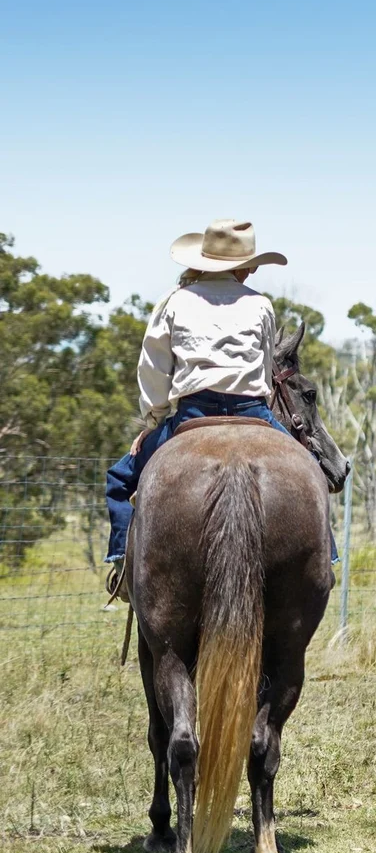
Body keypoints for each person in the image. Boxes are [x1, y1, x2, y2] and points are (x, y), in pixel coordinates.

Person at [105, 218, 315, 596]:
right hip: (254, 412)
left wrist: (153, 421)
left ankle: (123, 565)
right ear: (245, 266)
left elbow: (152, 369)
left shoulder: (174, 301)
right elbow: (266, 371)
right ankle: (325, 561)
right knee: (309, 471)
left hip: (193, 413)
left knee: (120, 481)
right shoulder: (261, 304)